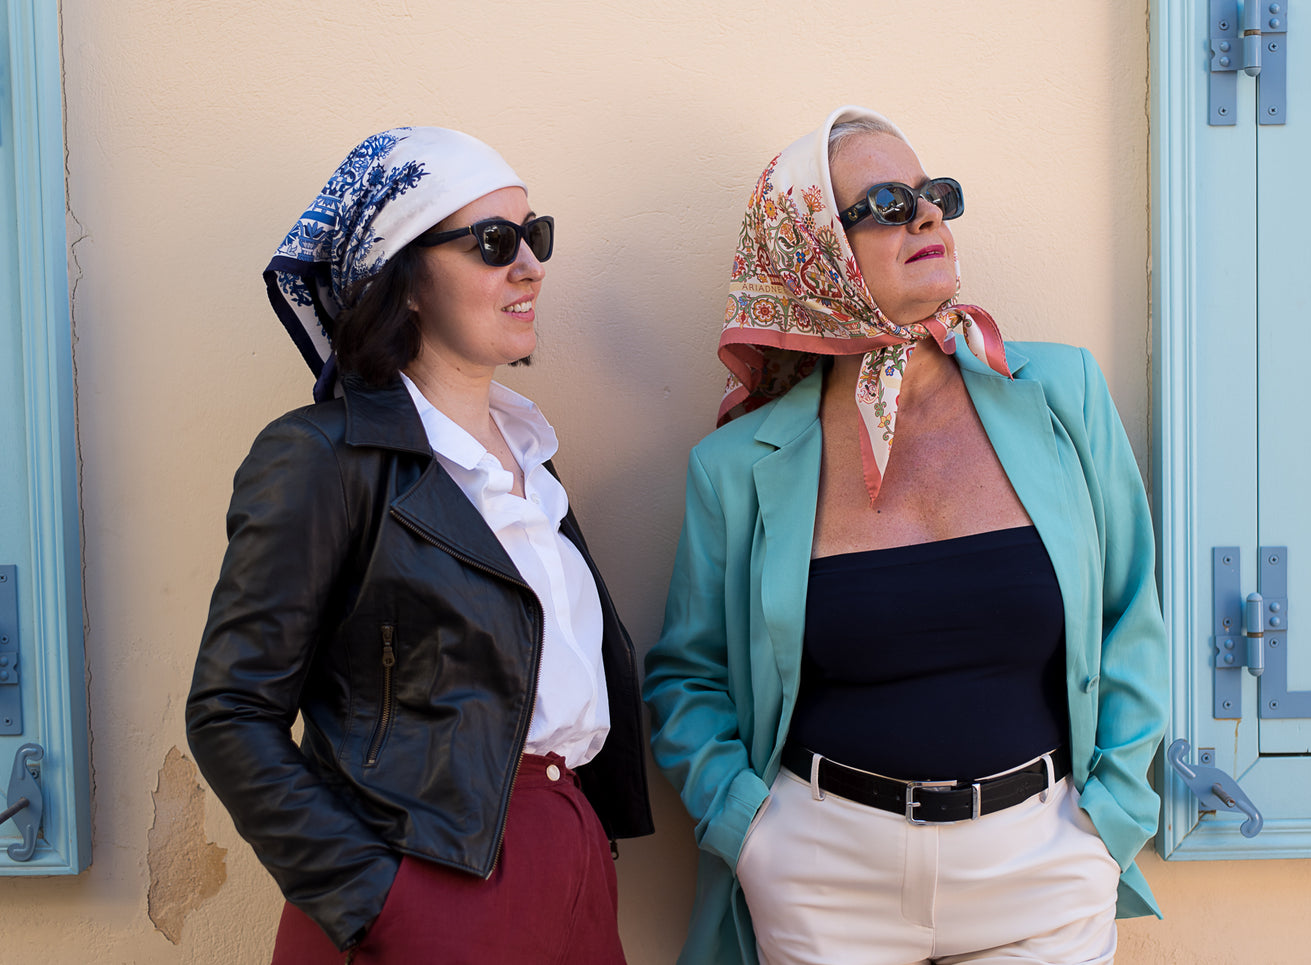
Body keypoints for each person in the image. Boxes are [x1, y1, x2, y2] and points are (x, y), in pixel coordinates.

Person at [643, 106, 1168, 965]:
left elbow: (1130, 613)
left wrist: (1110, 819)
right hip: (824, 880)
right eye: (887, 204)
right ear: (813, 249)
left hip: (1042, 867)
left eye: (935, 195)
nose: (926, 215)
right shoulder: (738, 465)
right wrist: (749, 831)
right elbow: (686, 673)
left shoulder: (1060, 393)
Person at [187, 126, 652, 964]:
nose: (531, 266)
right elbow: (231, 710)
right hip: (424, 880)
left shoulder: (531, 458)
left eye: (534, 235)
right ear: (402, 280)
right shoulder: (322, 456)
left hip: (570, 861)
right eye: (494, 242)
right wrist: (376, 899)